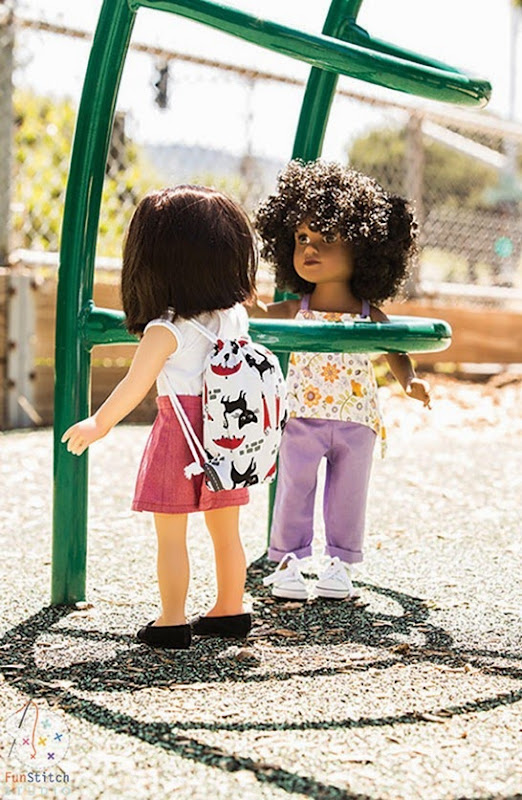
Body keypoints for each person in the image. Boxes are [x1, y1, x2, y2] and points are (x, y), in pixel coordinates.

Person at [62, 185, 257, 649]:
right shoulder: (233, 316)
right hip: (228, 433)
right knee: (226, 532)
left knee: (171, 535)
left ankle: (172, 619)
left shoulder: (165, 329)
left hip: (180, 434)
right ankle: (231, 607)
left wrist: (99, 423)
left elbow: (134, 386)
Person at [252, 160, 431, 601]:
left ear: (365, 248)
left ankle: (339, 564)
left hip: (356, 421)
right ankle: (290, 560)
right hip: (302, 417)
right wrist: (242, 297)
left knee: (348, 494)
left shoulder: (370, 314)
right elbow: (259, 316)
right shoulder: (297, 308)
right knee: (294, 487)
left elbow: (395, 348)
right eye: (302, 239)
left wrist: (409, 381)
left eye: (327, 238)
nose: (310, 248)